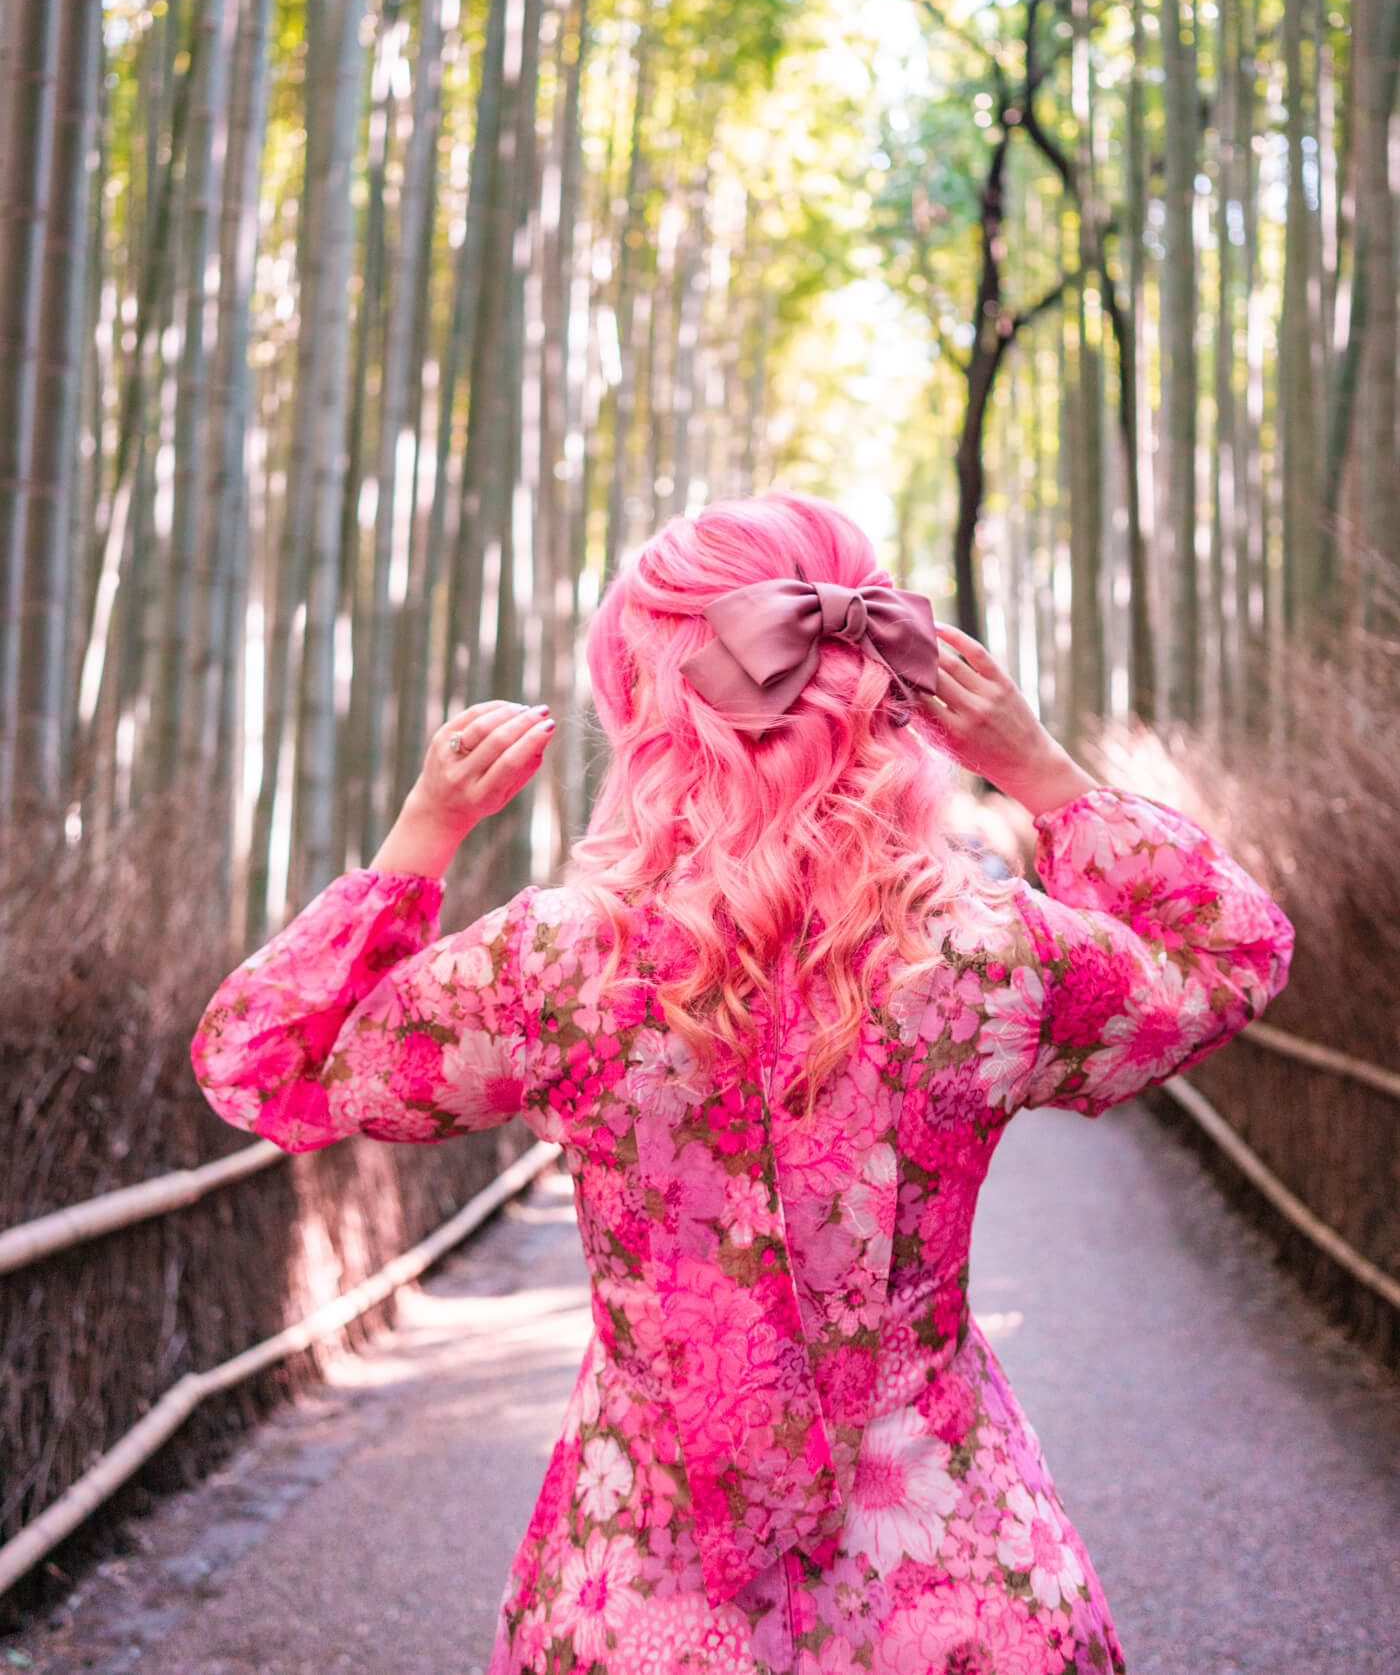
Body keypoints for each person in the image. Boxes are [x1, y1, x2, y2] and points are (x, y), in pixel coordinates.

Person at [193, 492, 1292, 1675]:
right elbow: (1227, 954)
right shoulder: (982, 948)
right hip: (956, 1572)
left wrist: (423, 832)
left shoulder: (561, 961)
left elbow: (272, 1060)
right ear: (887, 684)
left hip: (639, 1591)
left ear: (650, 702)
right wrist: (1040, 772)